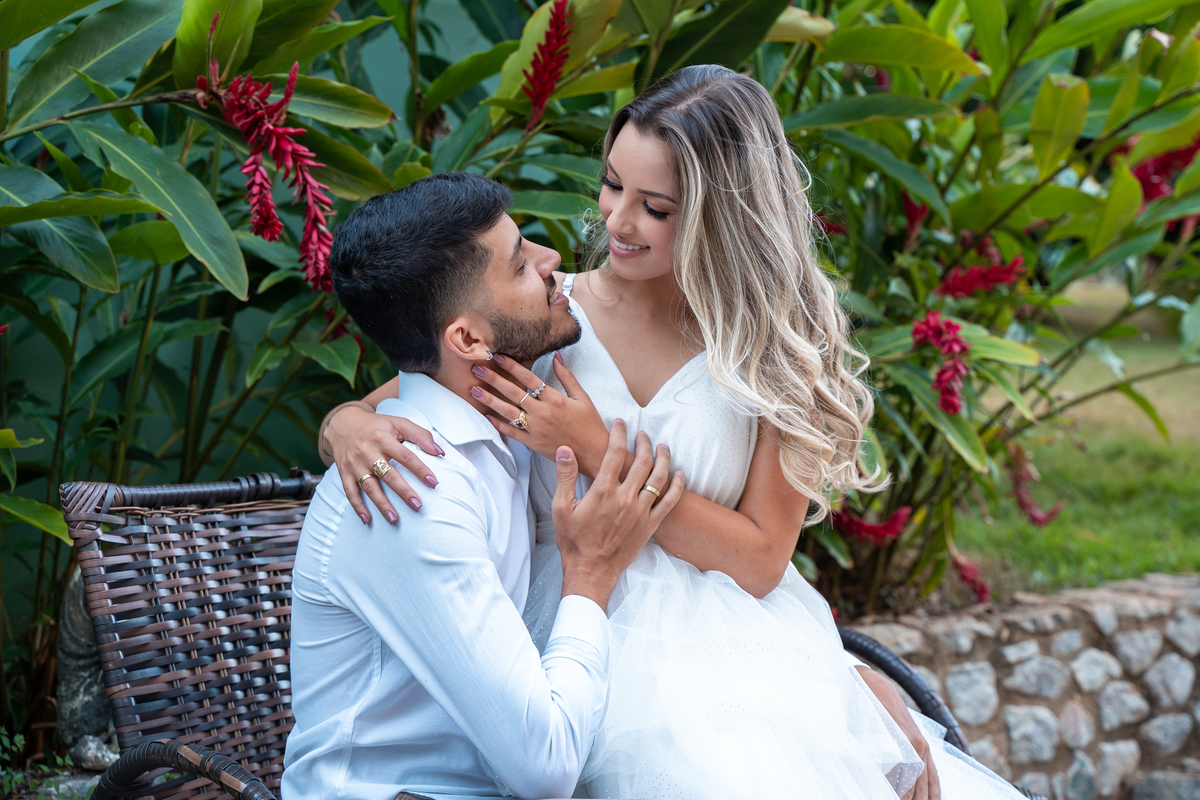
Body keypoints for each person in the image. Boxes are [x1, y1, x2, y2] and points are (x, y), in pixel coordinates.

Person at [319, 67, 1027, 799]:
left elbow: (758, 560)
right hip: (564, 634)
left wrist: (597, 448)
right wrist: (345, 424)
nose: (618, 221)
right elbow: (417, 386)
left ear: (726, 215)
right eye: (612, 183)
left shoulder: (774, 349)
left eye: (655, 206)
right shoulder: (554, 318)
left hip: (733, 653)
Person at [281, 172, 686, 800]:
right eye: (523, 263)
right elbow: (544, 768)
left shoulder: (499, 415)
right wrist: (591, 575)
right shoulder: (415, 489)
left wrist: (343, 419)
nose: (555, 262)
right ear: (468, 339)